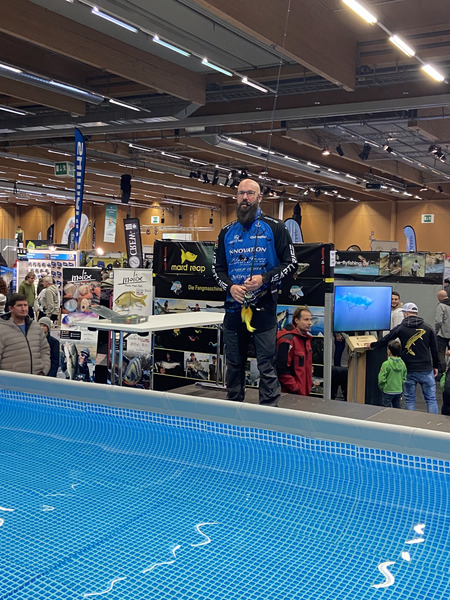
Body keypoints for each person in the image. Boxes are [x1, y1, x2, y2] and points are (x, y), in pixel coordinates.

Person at [212, 178, 297, 406]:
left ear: (260, 198)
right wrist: (230, 287)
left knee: (266, 366)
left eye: (250, 194)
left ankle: (269, 413)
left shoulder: (276, 227)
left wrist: (264, 279)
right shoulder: (226, 232)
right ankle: (233, 409)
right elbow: (217, 269)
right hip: (233, 310)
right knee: (234, 365)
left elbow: (291, 264)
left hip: (264, 309)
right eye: (241, 193)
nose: (245, 198)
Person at [367, 302, 439, 413]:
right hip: (426, 368)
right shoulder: (428, 328)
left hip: (408, 367)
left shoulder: (401, 328)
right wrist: (436, 366)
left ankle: (409, 422)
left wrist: (372, 345)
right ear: (416, 313)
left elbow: (386, 339)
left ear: (406, 313)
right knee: (431, 399)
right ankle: (433, 422)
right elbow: (434, 349)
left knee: (409, 399)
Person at [0, 294, 50, 375]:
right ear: (11, 308)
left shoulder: (35, 327)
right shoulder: (2, 329)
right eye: (19, 305)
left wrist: (44, 370)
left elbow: (45, 349)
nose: (23, 309)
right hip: (11, 380)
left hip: (36, 378)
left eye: (25, 305)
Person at [276, 306, 313, 396]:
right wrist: (295, 388)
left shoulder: (306, 339)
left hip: (303, 393)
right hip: (291, 394)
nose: (310, 323)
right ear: (296, 320)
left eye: (310, 319)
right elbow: (282, 369)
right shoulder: (287, 340)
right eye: (306, 320)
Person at [377, 339, 407, 408]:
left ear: (389, 351)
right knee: (397, 409)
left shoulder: (386, 364)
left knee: (386, 408)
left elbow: (381, 378)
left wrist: (382, 387)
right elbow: (404, 376)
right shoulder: (402, 363)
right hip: (398, 390)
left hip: (387, 390)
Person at [434, 289, 450, 375]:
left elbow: (438, 321)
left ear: (439, 297)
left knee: (441, 353)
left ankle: (442, 372)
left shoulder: (441, 306)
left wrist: (436, 331)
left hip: (442, 334)